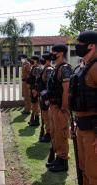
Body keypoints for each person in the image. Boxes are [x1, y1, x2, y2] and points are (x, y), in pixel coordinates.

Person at [69, 30, 97, 185]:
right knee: (84, 169)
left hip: (93, 130)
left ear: (91, 45)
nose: (77, 47)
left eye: (80, 44)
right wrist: (74, 123)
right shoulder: (82, 67)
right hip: (82, 126)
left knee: (94, 173)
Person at [46, 44, 72, 172]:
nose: (52, 54)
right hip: (53, 105)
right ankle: (58, 158)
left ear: (60, 53)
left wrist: (63, 107)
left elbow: (66, 90)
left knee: (61, 133)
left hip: (60, 107)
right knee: (55, 133)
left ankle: (63, 161)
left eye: (54, 52)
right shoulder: (57, 68)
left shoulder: (65, 68)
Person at [38, 53, 54, 142]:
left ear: (47, 60)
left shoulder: (49, 69)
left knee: (47, 117)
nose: (41, 60)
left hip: (46, 97)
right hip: (43, 96)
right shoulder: (44, 69)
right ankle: (48, 132)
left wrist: (46, 97)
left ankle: (49, 134)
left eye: (43, 58)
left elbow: (49, 85)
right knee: (44, 116)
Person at [27, 55, 42, 126]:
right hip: (33, 89)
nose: (31, 61)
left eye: (32, 60)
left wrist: (35, 89)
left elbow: (37, 80)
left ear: (36, 60)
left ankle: (36, 121)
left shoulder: (37, 68)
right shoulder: (34, 67)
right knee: (34, 105)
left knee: (35, 105)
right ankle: (34, 119)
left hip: (35, 90)